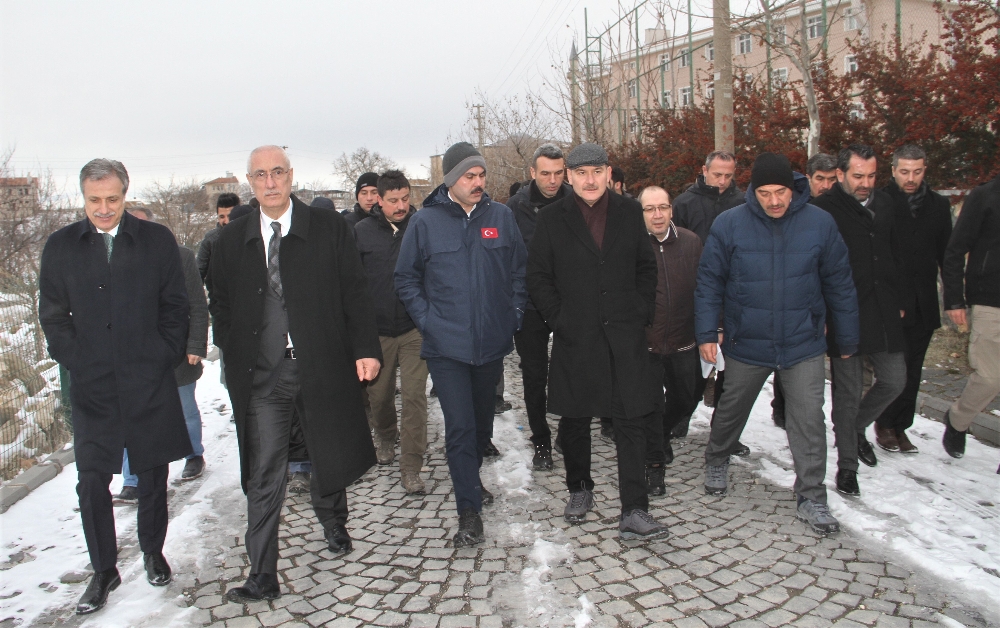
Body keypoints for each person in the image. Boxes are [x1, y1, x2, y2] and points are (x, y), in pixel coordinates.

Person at [209, 146, 382, 601]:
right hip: (264, 377)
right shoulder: (231, 240)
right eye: (261, 174)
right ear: (249, 181)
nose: (270, 182)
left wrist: (365, 348)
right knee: (265, 472)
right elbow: (221, 305)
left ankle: (334, 522)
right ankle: (262, 574)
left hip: (321, 364)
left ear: (291, 176)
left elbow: (355, 291)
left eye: (278, 172)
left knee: (327, 449)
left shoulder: (327, 229)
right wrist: (235, 347)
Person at [39, 159, 191, 614]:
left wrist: (160, 354)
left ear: (126, 195)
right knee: (90, 481)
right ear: (82, 197)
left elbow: (175, 306)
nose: (103, 209)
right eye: (94, 200)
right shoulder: (61, 246)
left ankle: (152, 550)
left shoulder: (156, 240)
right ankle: (103, 569)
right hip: (93, 385)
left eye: (112, 199)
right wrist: (81, 360)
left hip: (148, 379)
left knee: (152, 473)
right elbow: (52, 315)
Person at [695, 152, 858, 534]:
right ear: (753, 190)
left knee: (808, 419)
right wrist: (706, 333)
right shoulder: (729, 223)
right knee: (732, 406)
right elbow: (709, 283)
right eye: (765, 193)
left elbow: (840, 284)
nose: (773, 201)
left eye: (781, 192)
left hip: (802, 342)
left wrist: (846, 337)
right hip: (747, 339)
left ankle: (813, 497)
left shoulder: (820, 223)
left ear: (794, 187)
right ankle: (717, 457)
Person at [527, 142, 667, 540]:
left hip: (625, 335)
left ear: (608, 174)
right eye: (581, 172)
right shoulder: (552, 218)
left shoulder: (627, 212)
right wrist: (561, 319)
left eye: (597, 171)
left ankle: (635, 509)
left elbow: (645, 267)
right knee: (575, 419)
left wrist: (640, 311)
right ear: (569, 177)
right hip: (577, 334)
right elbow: (538, 276)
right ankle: (579, 488)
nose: (590, 180)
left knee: (631, 420)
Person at [395, 142, 527, 547]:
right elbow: (406, 279)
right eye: (469, 176)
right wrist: (429, 321)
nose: (477, 182)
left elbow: (520, 272)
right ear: (451, 180)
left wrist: (513, 316)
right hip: (446, 347)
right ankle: (468, 511)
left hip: (491, 344)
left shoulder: (501, 217)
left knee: (481, 425)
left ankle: (471, 480)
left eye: (481, 175)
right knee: (460, 427)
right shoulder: (425, 223)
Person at [812, 144, 907, 496]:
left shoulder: (884, 203)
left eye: (871, 176)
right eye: (858, 176)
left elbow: (897, 252)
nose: (866, 183)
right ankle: (847, 467)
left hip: (883, 310)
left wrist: (900, 299)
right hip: (843, 314)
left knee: (895, 379)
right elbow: (814, 266)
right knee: (847, 394)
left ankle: (852, 430)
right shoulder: (822, 210)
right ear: (840, 175)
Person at [114, 207, 209, 504]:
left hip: (176, 353)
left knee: (184, 410)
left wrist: (195, 345)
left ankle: (193, 454)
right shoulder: (114, 259)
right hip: (135, 358)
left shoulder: (179, 256)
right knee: (134, 417)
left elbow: (197, 303)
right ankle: (133, 480)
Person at [873, 145, 952, 453]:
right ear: (893, 171)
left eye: (917, 171)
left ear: (924, 170)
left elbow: (947, 253)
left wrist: (953, 298)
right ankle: (883, 421)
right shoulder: (881, 202)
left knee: (915, 368)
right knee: (894, 368)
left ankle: (900, 425)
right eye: (904, 171)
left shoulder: (938, 205)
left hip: (925, 302)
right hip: (892, 300)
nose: (910, 178)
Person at [354, 170, 430, 495]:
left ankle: (411, 467)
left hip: (415, 329)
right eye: (393, 200)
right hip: (378, 332)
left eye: (405, 198)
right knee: (380, 397)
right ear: (379, 200)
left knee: (414, 398)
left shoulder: (422, 227)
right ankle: (384, 434)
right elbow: (352, 286)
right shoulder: (361, 232)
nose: (400, 206)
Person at [506, 143, 572, 470]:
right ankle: (541, 440)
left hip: (568, 302)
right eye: (545, 173)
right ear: (532, 172)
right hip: (530, 305)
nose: (552, 180)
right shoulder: (514, 208)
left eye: (559, 173)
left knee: (572, 370)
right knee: (535, 375)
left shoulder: (576, 201)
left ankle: (569, 431)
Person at [638, 186, 703, 497]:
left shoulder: (691, 243)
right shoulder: (632, 245)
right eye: (650, 209)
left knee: (686, 399)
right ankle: (654, 467)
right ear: (641, 214)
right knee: (651, 406)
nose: (658, 214)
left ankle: (661, 435)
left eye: (662, 207)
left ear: (672, 209)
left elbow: (706, 287)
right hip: (646, 343)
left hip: (683, 339)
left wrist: (711, 329)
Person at [771, 152, 838, 429]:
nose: (826, 186)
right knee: (785, 360)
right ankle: (782, 407)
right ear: (808, 178)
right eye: (820, 179)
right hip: (791, 296)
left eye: (831, 180)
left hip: (821, 293)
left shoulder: (835, 209)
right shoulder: (794, 206)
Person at [941, 170, 1000, 466]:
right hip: (991, 301)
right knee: (990, 377)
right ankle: (957, 418)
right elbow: (955, 249)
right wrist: (954, 299)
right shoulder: (985, 195)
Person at [197, 192, 240, 282]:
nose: (226, 221)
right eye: (221, 217)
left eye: (229, 216)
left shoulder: (251, 235)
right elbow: (198, 272)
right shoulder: (210, 240)